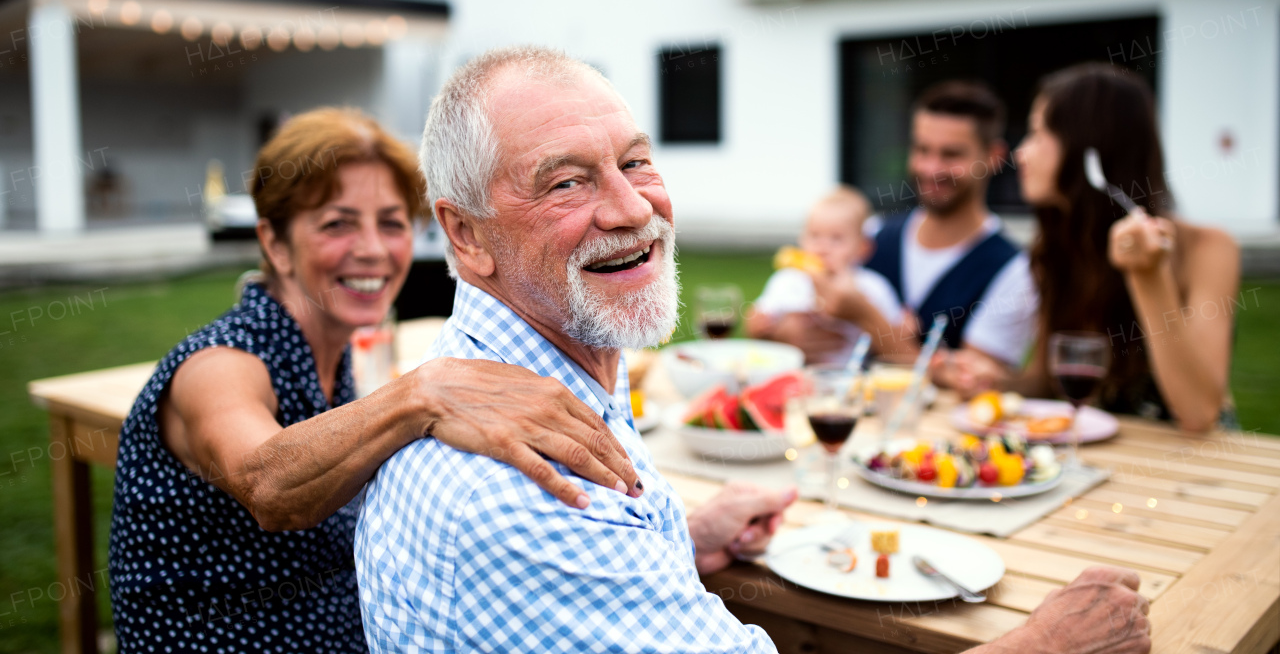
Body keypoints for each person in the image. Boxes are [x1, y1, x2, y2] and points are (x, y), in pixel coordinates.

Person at [355, 46, 1151, 654]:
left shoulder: (534, 376)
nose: (633, 207)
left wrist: (680, 539)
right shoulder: (520, 495)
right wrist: (1044, 644)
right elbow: (557, 550)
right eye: (566, 183)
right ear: (464, 233)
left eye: (635, 161)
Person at [108, 108, 641, 653]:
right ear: (274, 242)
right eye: (337, 224)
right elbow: (266, 487)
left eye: (391, 223)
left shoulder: (330, 353)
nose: (373, 249)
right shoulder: (221, 362)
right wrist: (421, 394)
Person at [949, 63, 1239, 431]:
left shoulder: (1208, 248)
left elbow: (1198, 413)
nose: (1021, 154)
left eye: (1037, 135)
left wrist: (1148, 275)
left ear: (1088, 148)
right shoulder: (1059, 248)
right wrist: (992, 384)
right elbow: (1045, 381)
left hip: (1199, 471)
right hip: (1098, 464)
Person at [844, 81, 1039, 371]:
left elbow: (977, 387)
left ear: (993, 157)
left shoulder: (1014, 273)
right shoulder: (873, 234)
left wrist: (869, 320)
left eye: (951, 154)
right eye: (922, 149)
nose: (930, 168)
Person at [746, 186, 903, 364]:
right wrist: (759, 324)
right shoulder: (788, 281)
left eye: (836, 239)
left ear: (863, 248)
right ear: (802, 239)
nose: (823, 248)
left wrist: (903, 326)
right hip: (798, 378)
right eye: (814, 236)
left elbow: (896, 334)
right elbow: (758, 316)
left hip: (852, 380)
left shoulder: (873, 286)